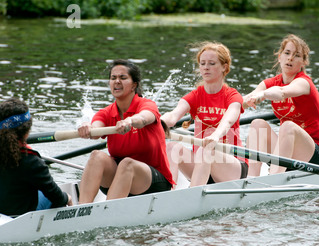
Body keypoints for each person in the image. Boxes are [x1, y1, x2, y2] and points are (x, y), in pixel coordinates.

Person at [77, 59, 174, 203]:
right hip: (119, 178)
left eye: (123, 78)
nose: (117, 81)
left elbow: (143, 118)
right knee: (96, 156)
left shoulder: (147, 105)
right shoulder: (106, 112)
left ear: (134, 85)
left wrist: (130, 121)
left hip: (154, 181)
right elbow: (96, 129)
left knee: (127, 163)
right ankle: (81, 209)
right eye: (113, 78)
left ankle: (106, 213)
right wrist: (87, 127)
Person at [161, 41, 247, 187]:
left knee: (206, 150)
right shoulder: (195, 96)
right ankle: (167, 193)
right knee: (172, 147)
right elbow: (173, 115)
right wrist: (158, 122)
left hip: (231, 166)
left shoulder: (232, 96)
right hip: (201, 162)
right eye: (202, 63)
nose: (206, 67)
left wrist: (215, 135)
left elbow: (228, 120)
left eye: (212, 63)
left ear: (224, 67)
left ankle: (191, 196)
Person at [243, 34, 319, 176]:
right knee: (257, 124)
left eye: (296, 55)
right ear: (279, 57)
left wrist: (263, 95)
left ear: (303, 62)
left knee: (287, 126)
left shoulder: (304, 83)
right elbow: (243, 101)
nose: (290, 58)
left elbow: (282, 92)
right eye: (287, 53)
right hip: (287, 153)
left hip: (315, 154)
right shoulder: (269, 82)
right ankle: (251, 179)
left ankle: (274, 177)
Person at [0, 98, 72, 216]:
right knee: (55, 196)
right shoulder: (32, 162)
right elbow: (56, 197)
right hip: (19, 219)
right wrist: (67, 197)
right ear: (27, 132)